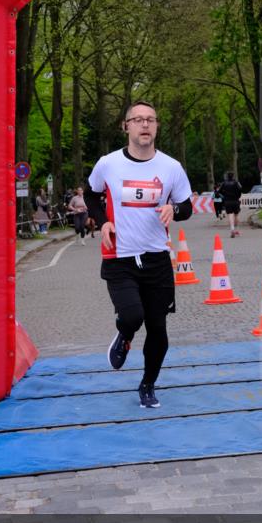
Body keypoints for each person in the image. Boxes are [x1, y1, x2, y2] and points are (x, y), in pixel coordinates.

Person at [85, 100, 192, 409]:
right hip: (119, 257)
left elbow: (186, 205)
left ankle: (148, 384)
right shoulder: (108, 163)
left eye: (150, 120)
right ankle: (125, 334)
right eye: (138, 120)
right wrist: (103, 220)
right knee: (133, 315)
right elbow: (91, 193)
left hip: (157, 258)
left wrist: (175, 208)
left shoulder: (171, 167)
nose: (145, 125)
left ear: (156, 126)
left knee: (158, 329)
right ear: (126, 126)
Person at [218, 171, 243, 237]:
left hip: (227, 201)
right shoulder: (236, 182)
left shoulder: (224, 183)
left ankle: (232, 228)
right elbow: (240, 189)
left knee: (230, 215)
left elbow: (218, 191)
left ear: (227, 176)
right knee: (236, 215)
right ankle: (236, 230)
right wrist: (238, 195)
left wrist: (224, 196)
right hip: (235, 200)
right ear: (233, 176)